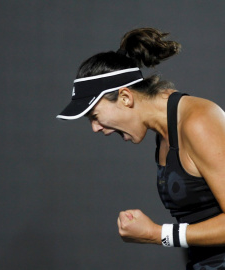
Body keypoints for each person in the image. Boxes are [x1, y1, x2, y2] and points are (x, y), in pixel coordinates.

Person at [56, 27, 225, 269]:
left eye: (95, 115)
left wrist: (158, 234)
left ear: (125, 97)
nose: (95, 128)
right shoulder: (163, 133)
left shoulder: (198, 121)